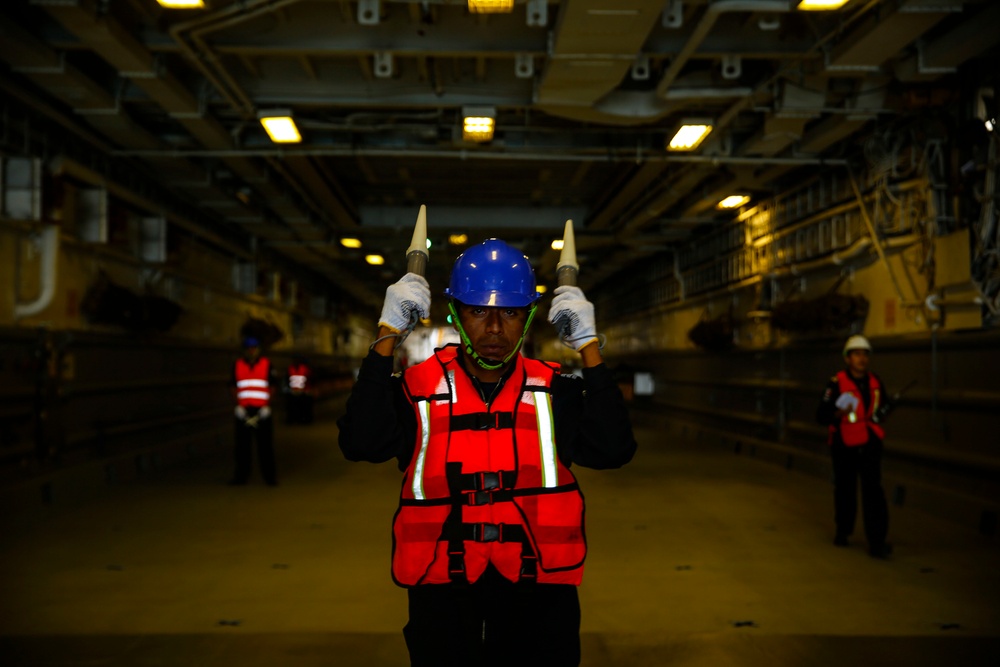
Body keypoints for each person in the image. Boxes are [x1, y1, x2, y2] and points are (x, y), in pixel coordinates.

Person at [338, 238, 637, 667]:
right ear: (455, 315)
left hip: (538, 591)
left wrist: (590, 348)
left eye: (511, 312)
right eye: (478, 311)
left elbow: (614, 450)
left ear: (529, 317)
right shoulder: (416, 390)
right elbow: (360, 443)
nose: (495, 328)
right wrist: (386, 336)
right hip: (442, 588)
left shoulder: (556, 392)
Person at [815, 334, 893, 559]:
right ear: (847, 359)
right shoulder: (836, 383)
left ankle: (877, 541)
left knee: (873, 491)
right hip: (844, 443)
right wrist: (838, 414)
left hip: (869, 441)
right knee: (845, 488)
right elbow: (821, 415)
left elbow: (882, 407)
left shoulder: (875, 382)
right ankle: (843, 530)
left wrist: (882, 414)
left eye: (865, 354)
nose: (862, 359)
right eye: (857, 354)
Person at [231, 336, 278, 486]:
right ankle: (241, 477)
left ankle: (270, 478)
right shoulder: (237, 365)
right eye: (249, 348)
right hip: (243, 411)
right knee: (242, 447)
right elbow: (233, 386)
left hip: (262, 411)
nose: (251, 351)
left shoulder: (267, 365)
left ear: (258, 350)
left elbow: (273, 386)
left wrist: (267, 405)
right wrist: (237, 405)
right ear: (245, 350)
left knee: (265, 446)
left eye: (254, 348)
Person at [285, 355, 314, 424]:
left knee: (305, 407)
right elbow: (287, 379)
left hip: (303, 392)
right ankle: (292, 420)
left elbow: (310, 378)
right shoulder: (290, 368)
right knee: (292, 407)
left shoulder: (304, 368)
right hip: (293, 392)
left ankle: (305, 420)